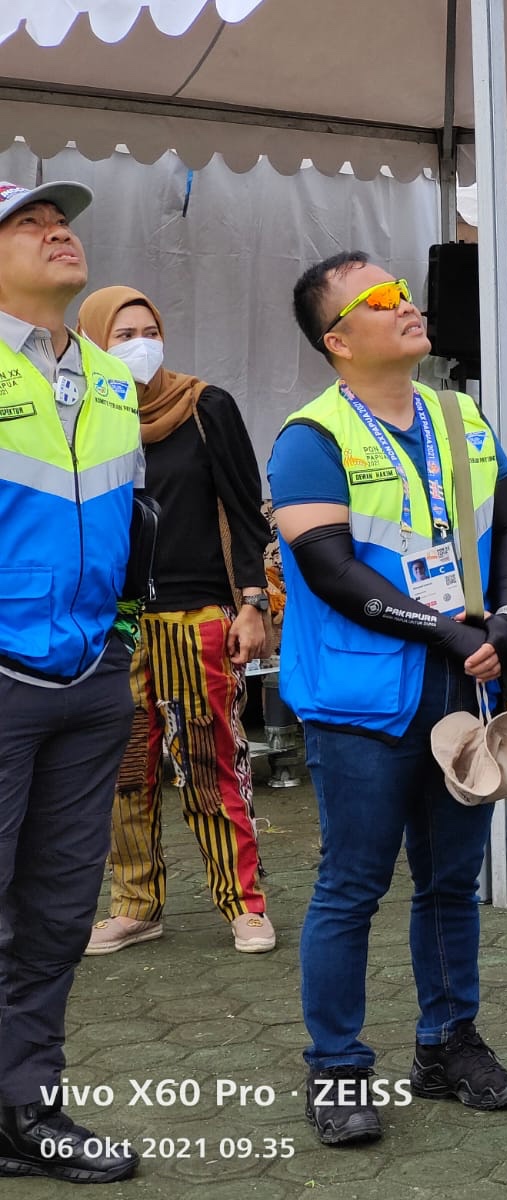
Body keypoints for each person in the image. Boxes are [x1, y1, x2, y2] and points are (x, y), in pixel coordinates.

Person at [269, 252, 507, 1146]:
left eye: (403, 292)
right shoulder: (310, 437)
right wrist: (447, 631)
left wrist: (506, 618)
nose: (408, 305)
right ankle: (338, 1069)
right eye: (382, 300)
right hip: (363, 698)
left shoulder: (463, 416)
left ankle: (447, 1044)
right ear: (338, 340)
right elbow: (330, 569)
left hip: (461, 683)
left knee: (451, 882)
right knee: (352, 885)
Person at [0, 180, 142, 1183]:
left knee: (56, 912)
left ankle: (25, 1109)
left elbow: (130, 524)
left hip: (91, 678)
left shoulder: (110, 378)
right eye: (28, 224)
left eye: (63, 221)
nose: (58, 233)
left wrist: (121, 640)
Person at [76, 287, 277, 957]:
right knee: (126, 769)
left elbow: (246, 511)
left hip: (198, 617)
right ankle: (135, 905)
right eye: (122, 335)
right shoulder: (85, 416)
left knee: (211, 763)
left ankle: (244, 904)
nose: (141, 344)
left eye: (149, 330)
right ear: (93, 346)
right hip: (116, 625)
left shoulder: (204, 406)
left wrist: (252, 602)